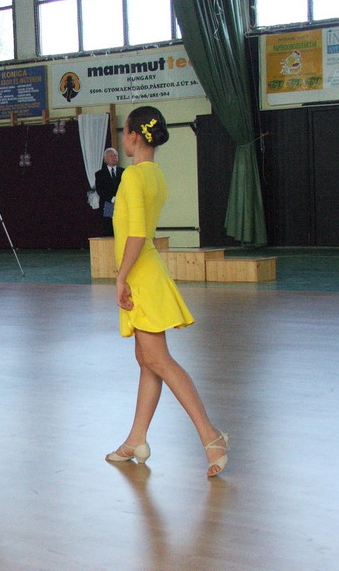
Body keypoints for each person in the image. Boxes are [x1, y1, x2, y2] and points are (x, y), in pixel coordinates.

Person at [104, 106, 228, 478]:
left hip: (141, 276)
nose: (123, 140)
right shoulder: (155, 174)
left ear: (132, 136)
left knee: (159, 361)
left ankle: (211, 435)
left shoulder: (131, 176)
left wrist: (121, 277)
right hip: (147, 272)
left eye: (124, 133)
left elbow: (137, 234)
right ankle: (135, 440)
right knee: (147, 361)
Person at [95, 147, 125, 237]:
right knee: (108, 228)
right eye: (111, 156)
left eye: (115, 155)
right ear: (106, 159)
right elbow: (100, 190)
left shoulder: (124, 171)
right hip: (107, 204)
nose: (114, 157)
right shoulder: (100, 174)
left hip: (122, 204)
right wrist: (112, 198)